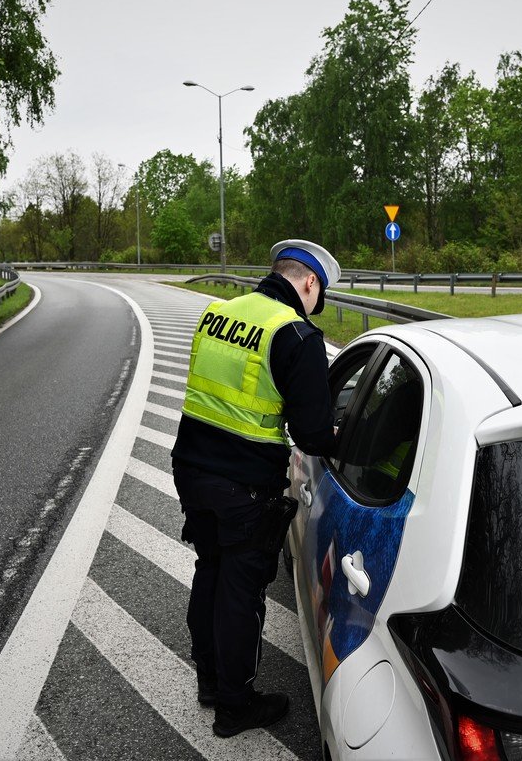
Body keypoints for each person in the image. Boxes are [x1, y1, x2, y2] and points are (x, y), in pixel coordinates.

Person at [171, 239, 341, 738]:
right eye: (319, 294)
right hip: (245, 484)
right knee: (240, 592)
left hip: (191, 468)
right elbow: (313, 436)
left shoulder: (218, 313)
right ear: (310, 282)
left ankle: (209, 681)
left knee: (210, 569)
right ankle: (235, 705)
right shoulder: (297, 335)